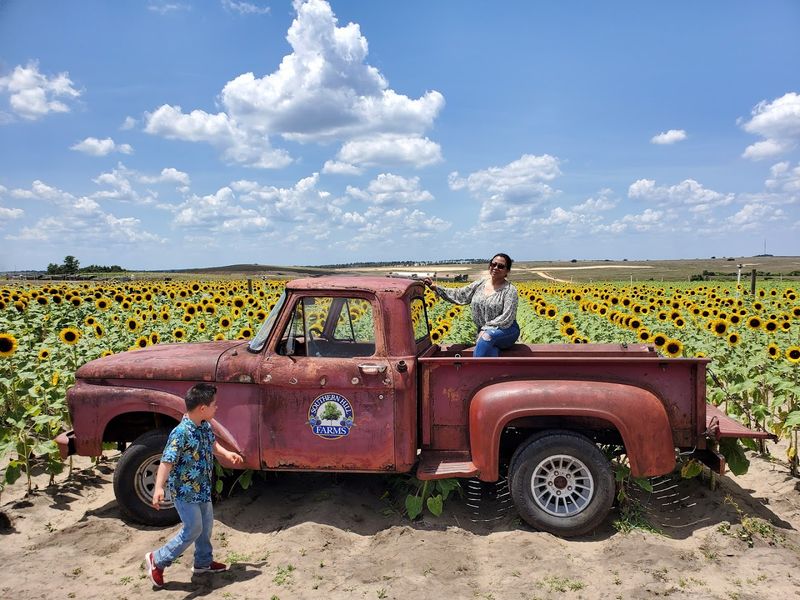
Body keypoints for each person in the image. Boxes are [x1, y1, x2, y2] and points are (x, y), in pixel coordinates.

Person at [145, 383, 243, 588]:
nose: (217, 408)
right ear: (202, 408)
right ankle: (158, 559)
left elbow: (212, 444)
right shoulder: (180, 433)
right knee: (193, 529)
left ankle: (203, 563)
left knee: (206, 527)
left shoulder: (205, 426)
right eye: (214, 405)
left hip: (203, 489)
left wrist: (226, 454)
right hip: (185, 492)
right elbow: (167, 460)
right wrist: (159, 488)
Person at [424, 253, 520, 357]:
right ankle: (494, 369)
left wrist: (485, 329)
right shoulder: (480, 284)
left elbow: (507, 317)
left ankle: (476, 370)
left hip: (506, 330)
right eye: (493, 264)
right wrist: (437, 288)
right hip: (485, 331)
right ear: (489, 265)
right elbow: (461, 295)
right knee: (490, 348)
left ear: (507, 271)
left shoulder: (510, 290)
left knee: (487, 338)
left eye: (500, 266)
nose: (496, 268)